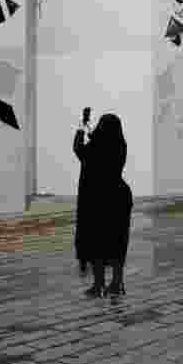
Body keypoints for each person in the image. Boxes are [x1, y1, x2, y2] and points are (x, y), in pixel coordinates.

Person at [73, 113, 133, 299]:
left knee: (96, 242)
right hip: (119, 197)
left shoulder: (94, 148)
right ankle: (116, 284)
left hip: (98, 198)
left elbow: (79, 149)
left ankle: (98, 286)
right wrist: (89, 128)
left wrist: (82, 128)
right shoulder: (119, 145)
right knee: (116, 242)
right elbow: (99, 138)